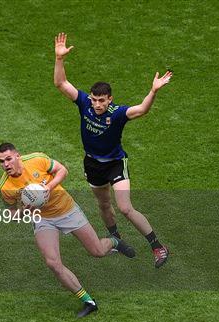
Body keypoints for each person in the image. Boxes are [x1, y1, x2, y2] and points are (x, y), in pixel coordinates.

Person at [53, 32, 172, 268]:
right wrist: (59, 59)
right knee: (104, 205)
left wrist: (153, 91)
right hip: (92, 163)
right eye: (95, 100)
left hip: (115, 163)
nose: (97, 104)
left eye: (101, 101)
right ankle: (116, 238)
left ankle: (157, 246)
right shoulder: (84, 103)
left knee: (125, 207)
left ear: (110, 100)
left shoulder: (117, 113)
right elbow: (61, 83)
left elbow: (141, 110)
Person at [0, 142, 135, 318]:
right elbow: (12, 215)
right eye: (2, 162)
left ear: (17, 155)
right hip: (43, 219)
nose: (6, 164)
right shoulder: (5, 187)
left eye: (8, 159)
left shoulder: (37, 159)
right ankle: (88, 301)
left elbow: (63, 170)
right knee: (53, 263)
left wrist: (48, 187)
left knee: (98, 251)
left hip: (67, 210)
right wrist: (25, 210)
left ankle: (115, 241)